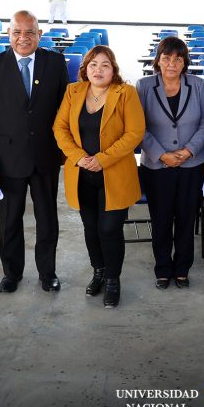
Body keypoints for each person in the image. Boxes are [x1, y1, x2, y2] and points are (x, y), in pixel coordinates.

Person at [0, 10, 70, 294]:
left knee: (47, 219)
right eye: (17, 32)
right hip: (7, 157)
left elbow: (65, 110)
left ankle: (47, 273)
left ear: (40, 34)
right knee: (10, 220)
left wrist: (66, 149)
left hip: (45, 155)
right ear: (9, 34)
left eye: (30, 32)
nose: (23, 38)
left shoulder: (55, 62)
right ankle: (11, 273)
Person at [55, 46, 145, 308]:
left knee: (109, 228)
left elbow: (135, 132)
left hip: (114, 173)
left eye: (105, 65)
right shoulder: (73, 91)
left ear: (113, 69)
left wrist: (102, 159)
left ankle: (113, 280)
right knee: (91, 228)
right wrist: (79, 157)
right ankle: (99, 272)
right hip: (81, 173)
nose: (98, 70)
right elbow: (60, 127)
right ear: (85, 69)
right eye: (93, 64)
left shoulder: (126, 93)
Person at [136, 36, 204, 289]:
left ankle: (182, 268)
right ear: (158, 60)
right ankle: (163, 268)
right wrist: (162, 154)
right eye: (166, 58)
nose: (172, 64)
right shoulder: (144, 86)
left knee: (187, 217)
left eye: (178, 59)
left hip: (192, 164)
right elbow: (138, 126)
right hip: (156, 166)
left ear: (184, 62)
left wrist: (188, 151)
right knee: (161, 218)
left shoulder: (197, 85)